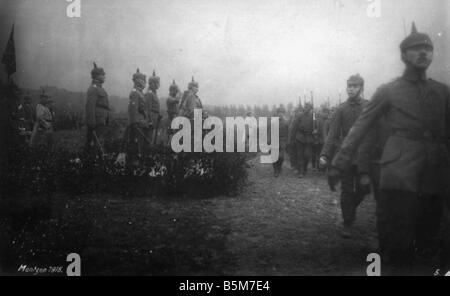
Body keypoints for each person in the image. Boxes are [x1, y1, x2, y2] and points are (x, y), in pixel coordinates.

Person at [331, 23, 449, 275]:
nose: (423, 53)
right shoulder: (390, 90)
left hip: (435, 171)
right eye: (416, 49)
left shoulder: (442, 92)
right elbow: (361, 127)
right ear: (403, 55)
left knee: (429, 234)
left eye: (428, 49)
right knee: (398, 235)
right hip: (399, 171)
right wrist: (339, 163)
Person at [319, 74, 369, 238]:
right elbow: (332, 134)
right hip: (346, 155)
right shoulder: (341, 109)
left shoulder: (368, 106)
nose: (351, 89)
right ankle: (347, 223)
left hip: (363, 155)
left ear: (361, 88)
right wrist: (325, 154)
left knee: (364, 188)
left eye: (354, 86)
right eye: (349, 86)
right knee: (347, 190)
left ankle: (350, 210)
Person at [84, 62, 110, 156]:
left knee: (97, 143)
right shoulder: (93, 89)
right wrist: (91, 123)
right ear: (96, 76)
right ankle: (91, 163)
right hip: (96, 121)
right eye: (102, 74)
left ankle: (94, 160)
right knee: (94, 144)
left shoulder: (100, 88)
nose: (104, 76)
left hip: (101, 120)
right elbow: (90, 106)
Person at [289, 102, 314, 178]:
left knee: (307, 155)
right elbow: (294, 127)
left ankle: (305, 168)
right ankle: (301, 171)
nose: (307, 109)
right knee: (300, 155)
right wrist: (292, 139)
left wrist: (315, 131)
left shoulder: (313, 117)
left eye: (308, 107)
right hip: (300, 137)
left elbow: (315, 126)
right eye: (305, 107)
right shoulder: (299, 116)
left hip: (308, 138)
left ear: (310, 109)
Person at [145, 70, 161, 146]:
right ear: (153, 83)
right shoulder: (149, 93)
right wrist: (150, 121)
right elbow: (148, 108)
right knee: (148, 137)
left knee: (151, 137)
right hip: (151, 117)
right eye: (157, 82)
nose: (159, 84)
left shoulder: (154, 93)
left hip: (155, 117)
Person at [272, 106, 289, 177]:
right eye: (279, 112)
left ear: (284, 113)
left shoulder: (286, 122)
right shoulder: (273, 121)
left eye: (282, 112)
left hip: (283, 140)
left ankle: (279, 167)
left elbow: (288, 131)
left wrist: (287, 141)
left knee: (281, 157)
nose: (280, 114)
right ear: (277, 113)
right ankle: (276, 170)